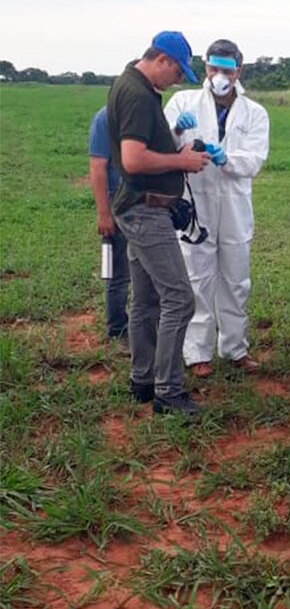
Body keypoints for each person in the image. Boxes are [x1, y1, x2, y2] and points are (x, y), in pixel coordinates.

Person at [107, 31, 210, 416]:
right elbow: (133, 160)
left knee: (148, 300)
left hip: (140, 207)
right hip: (144, 211)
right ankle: (169, 391)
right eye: (177, 72)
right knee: (180, 299)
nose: (177, 80)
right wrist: (181, 162)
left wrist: (177, 143)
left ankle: (143, 380)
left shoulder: (133, 86)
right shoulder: (136, 94)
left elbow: (142, 148)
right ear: (162, 59)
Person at [164, 38, 269, 378]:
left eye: (225, 69)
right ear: (205, 67)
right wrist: (179, 127)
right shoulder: (183, 101)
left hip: (235, 204)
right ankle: (197, 354)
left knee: (236, 279)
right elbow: (165, 143)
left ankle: (235, 347)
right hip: (197, 199)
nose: (217, 75)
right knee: (198, 276)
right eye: (212, 68)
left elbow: (254, 160)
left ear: (238, 70)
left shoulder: (255, 112)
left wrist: (228, 159)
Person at [88, 106, 130, 349]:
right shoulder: (106, 116)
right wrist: (104, 213)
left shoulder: (146, 108)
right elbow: (97, 166)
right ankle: (118, 329)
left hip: (141, 200)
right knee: (117, 272)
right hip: (117, 201)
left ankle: (140, 325)